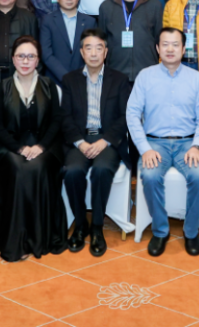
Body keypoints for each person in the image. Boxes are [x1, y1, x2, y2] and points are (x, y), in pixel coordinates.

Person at [127, 28, 199, 257]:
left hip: (188, 143)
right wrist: (144, 149)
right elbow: (132, 114)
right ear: (157, 48)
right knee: (150, 176)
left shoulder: (195, 78)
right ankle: (160, 231)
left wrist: (197, 146)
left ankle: (191, 232)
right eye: (165, 44)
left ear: (184, 49)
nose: (170, 49)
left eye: (175, 44)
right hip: (155, 143)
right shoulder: (145, 76)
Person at [0, 36, 68, 261]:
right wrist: (19, 148)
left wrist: (41, 146)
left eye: (30, 56)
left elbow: (56, 122)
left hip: (45, 146)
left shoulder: (48, 85)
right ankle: (17, 241)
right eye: (21, 56)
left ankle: (39, 239)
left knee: (37, 168)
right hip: (11, 147)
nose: (25, 61)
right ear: (13, 59)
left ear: (38, 60)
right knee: (18, 168)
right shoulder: (2, 87)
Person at [59, 30, 131, 256]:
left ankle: (97, 227)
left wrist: (105, 141)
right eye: (88, 48)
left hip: (106, 140)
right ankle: (81, 224)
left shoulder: (119, 79)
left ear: (105, 52)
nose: (93, 53)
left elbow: (125, 117)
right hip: (79, 140)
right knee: (72, 171)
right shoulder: (70, 79)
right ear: (81, 52)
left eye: (98, 48)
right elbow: (65, 117)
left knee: (101, 170)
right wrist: (80, 143)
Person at [98, 0, 164, 83]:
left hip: (147, 74)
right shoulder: (106, 7)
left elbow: (159, 40)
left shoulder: (154, 5)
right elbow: (102, 43)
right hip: (115, 74)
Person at [40, 0, 97, 87]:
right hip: (55, 81)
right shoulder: (47, 21)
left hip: (83, 80)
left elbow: (92, 52)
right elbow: (46, 54)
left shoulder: (90, 22)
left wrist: (79, 76)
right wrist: (66, 77)